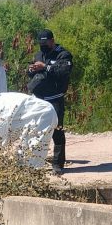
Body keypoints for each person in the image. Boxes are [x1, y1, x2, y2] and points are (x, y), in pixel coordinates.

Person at [27, 29, 73, 175]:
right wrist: (31, 69)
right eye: (40, 43)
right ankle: (34, 162)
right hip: (39, 99)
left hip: (55, 99)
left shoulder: (63, 54)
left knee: (57, 130)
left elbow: (63, 71)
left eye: (45, 43)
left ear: (52, 41)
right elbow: (32, 73)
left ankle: (58, 164)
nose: (43, 46)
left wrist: (45, 67)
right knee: (36, 130)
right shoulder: (39, 54)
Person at [0, 92, 58, 168]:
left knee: (33, 157)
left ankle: (33, 182)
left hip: (44, 116)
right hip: (34, 120)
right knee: (22, 155)